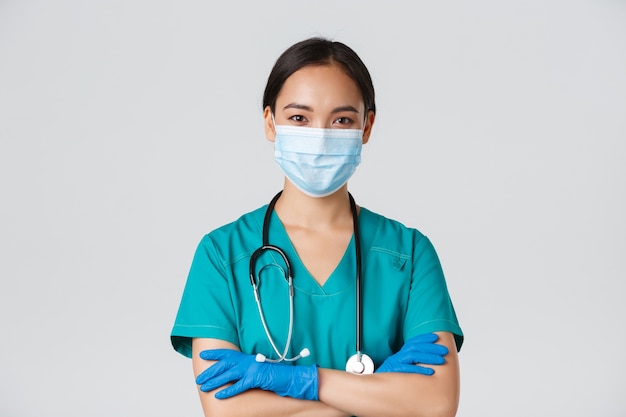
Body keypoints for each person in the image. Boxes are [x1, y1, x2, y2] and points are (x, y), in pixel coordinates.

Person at [171, 37, 464, 417]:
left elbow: (437, 404)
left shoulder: (407, 254)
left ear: (367, 126)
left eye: (342, 120)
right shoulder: (221, 254)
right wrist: (372, 394)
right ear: (270, 123)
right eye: (299, 118)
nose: (321, 136)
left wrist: (301, 382)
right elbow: (225, 411)